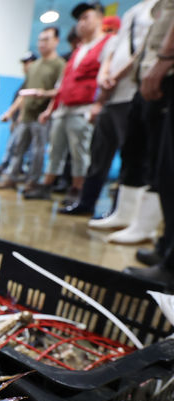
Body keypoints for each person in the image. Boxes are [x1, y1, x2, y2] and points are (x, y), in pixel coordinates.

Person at [60, 0, 156, 215]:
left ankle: (120, 211)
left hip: (130, 96)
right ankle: (87, 203)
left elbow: (142, 50)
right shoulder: (126, 21)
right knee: (98, 156)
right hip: (108, 100)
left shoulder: (155, 9)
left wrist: (114, 76)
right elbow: (108, 58)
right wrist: (103, 82)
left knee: (130, 156)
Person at [24, 2, 111, 200]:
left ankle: (76, 190)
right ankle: (45, 186)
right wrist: (50, 109)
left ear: (99, 18)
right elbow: (64, 84)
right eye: (79, 20)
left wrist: (98, 104)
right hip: (63, 108)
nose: (80, 23)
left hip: (83, 107)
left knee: (79, 152)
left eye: (85, 18)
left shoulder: (106, 44)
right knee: (55, 150)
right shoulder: (78, 51)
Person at [122, 0, 174, 286]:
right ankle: (166, 249)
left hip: (168, 71)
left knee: (169, 171)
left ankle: (172, 263)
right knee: (161, 167)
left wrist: (164, 59)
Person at [0, 28, 66, 190]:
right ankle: (11, 179)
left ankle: (32, 181)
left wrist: (44, 97)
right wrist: (11, 113)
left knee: (38, 150)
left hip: (42, 116)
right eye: (40, 40)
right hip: (26, 116)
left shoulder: (59, 65)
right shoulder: (34, 66)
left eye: (46, 39)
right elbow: (23, 94)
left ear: (56, 41)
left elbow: (59, 91)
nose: (42, 43)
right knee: (18, 148)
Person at [0, 51, 38, 180]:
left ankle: (18, 172)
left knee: (23, 147)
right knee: (15, 146)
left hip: (28, 120)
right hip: (19, 120)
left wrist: (18, 116)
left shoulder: (34, 80)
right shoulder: (25, 81)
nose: (25, 66)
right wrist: (13, 119)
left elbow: (24, 100)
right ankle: (9, 169)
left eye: (27, 63)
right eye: (24, 63)